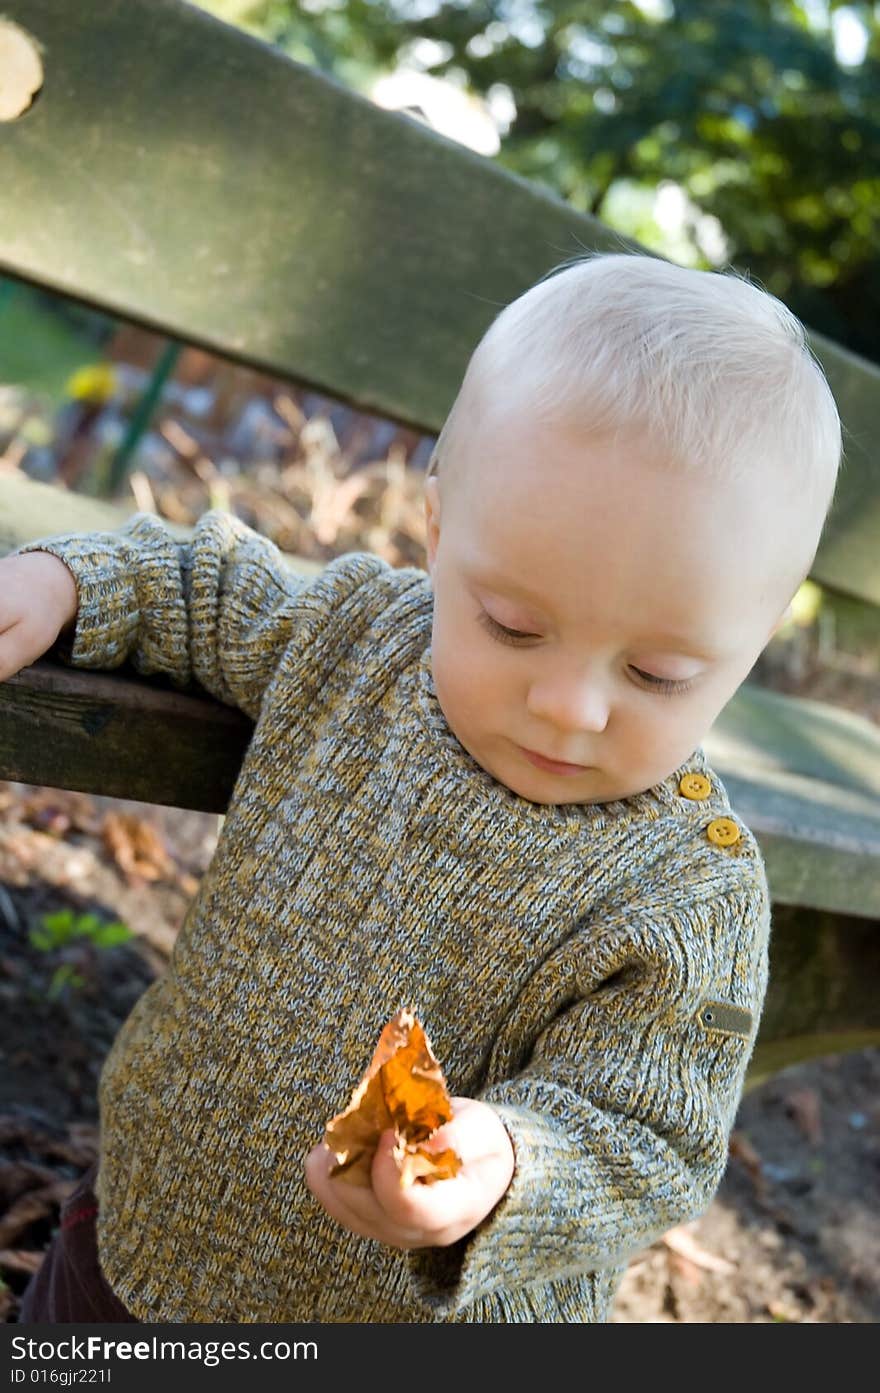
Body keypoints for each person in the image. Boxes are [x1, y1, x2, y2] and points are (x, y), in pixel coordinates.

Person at [2, 250, 841, 1324]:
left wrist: (504, 1164)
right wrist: (67, 577)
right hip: (144, 1238)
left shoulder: (687, 894)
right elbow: (207, 588)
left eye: (657, 674)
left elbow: (648, 1139)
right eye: (513, 625)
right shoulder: (360, 646)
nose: (569, 706)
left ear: (751, 641)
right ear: (439, 534)